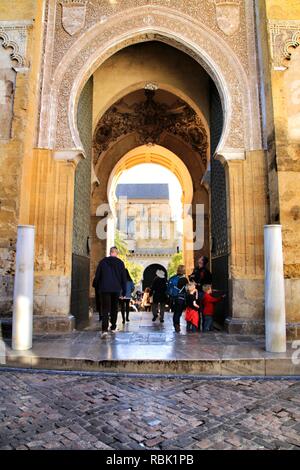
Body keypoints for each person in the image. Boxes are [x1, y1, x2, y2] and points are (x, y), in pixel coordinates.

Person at [93, 246, 127, 338]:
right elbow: (124, 278)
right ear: (116, 253)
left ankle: (104, 330)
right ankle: (113, 327)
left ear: (110, 252)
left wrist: (95, 285)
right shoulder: (120, 263)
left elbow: (97, 276)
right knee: (114, 308)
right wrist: (124, 291)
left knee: (105, 309)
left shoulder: (102, 262)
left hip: (104, 289)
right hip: (116, 289)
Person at [189, 256, 212, 330]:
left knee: (203, 310)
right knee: (196, 310)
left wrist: (200, 284)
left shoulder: (206, 271)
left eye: (200, 258)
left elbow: (208, 281)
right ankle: (196, 326)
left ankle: (205, 327)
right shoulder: (196, 269)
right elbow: (191, 277)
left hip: (202, 292)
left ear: (202, 261)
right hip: (196, 292)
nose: (198, 259)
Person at [169, 265, 189, 333]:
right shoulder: (184, 279)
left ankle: (176, 325)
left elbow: (168, 288)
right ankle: (177, 325)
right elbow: (187, 289)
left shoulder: (172, 278)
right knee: (178, 312)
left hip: (173, 297)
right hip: (181, 297)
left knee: (176, 312)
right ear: (183, 270)